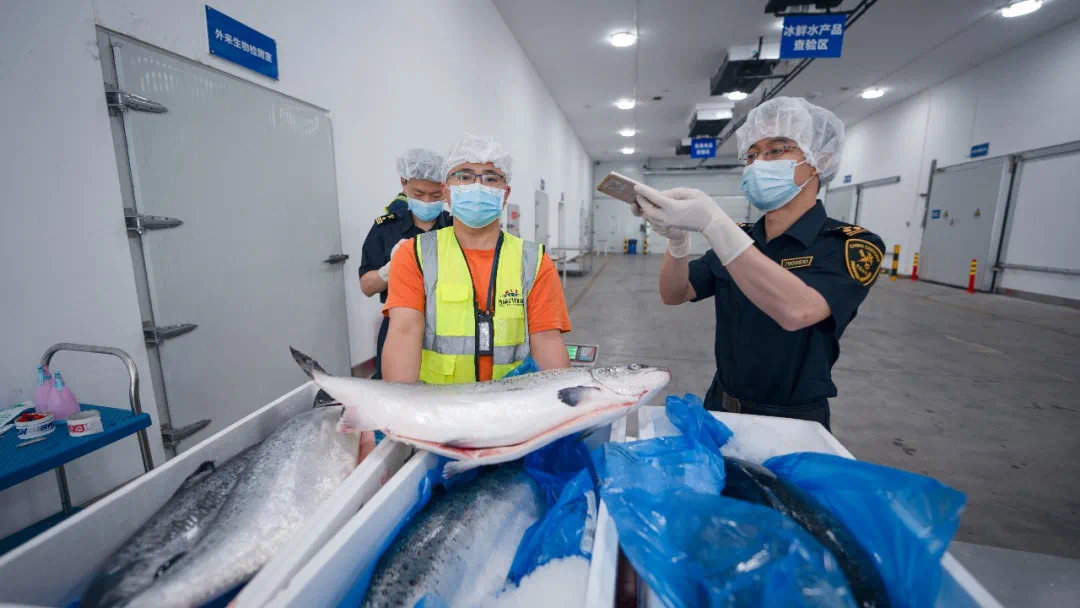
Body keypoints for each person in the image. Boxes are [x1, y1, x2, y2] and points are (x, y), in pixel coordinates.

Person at [633, 97, 884, 430]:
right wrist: (677, 242)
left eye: (776, 150)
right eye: (751, 155)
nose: (759, 164)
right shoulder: (741, 237)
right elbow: (674, 293)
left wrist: (715, 224)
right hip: (721, 404)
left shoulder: (849, 244)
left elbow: (797, 311)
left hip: (793, 420)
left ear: (819, 160)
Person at [381, 133, 572, 384]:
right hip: (438, 402)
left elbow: (547, 340)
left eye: (491, 178)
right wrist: (399, 404)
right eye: (464, 176)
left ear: (505, 194)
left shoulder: (534, 261)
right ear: (446, 191)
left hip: (512, 402)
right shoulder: (415, 255)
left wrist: (563, 401)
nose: (478, 186)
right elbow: (404, 333)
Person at [357, 148, 453, 379]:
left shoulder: (455, 228)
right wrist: (391, 269)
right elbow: (367, 286)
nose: (427, 201)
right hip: (398, 325)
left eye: (435, 195)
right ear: (404, 183)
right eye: (419, 193)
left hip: (449, 327)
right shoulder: (385, 227)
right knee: (396, 389)